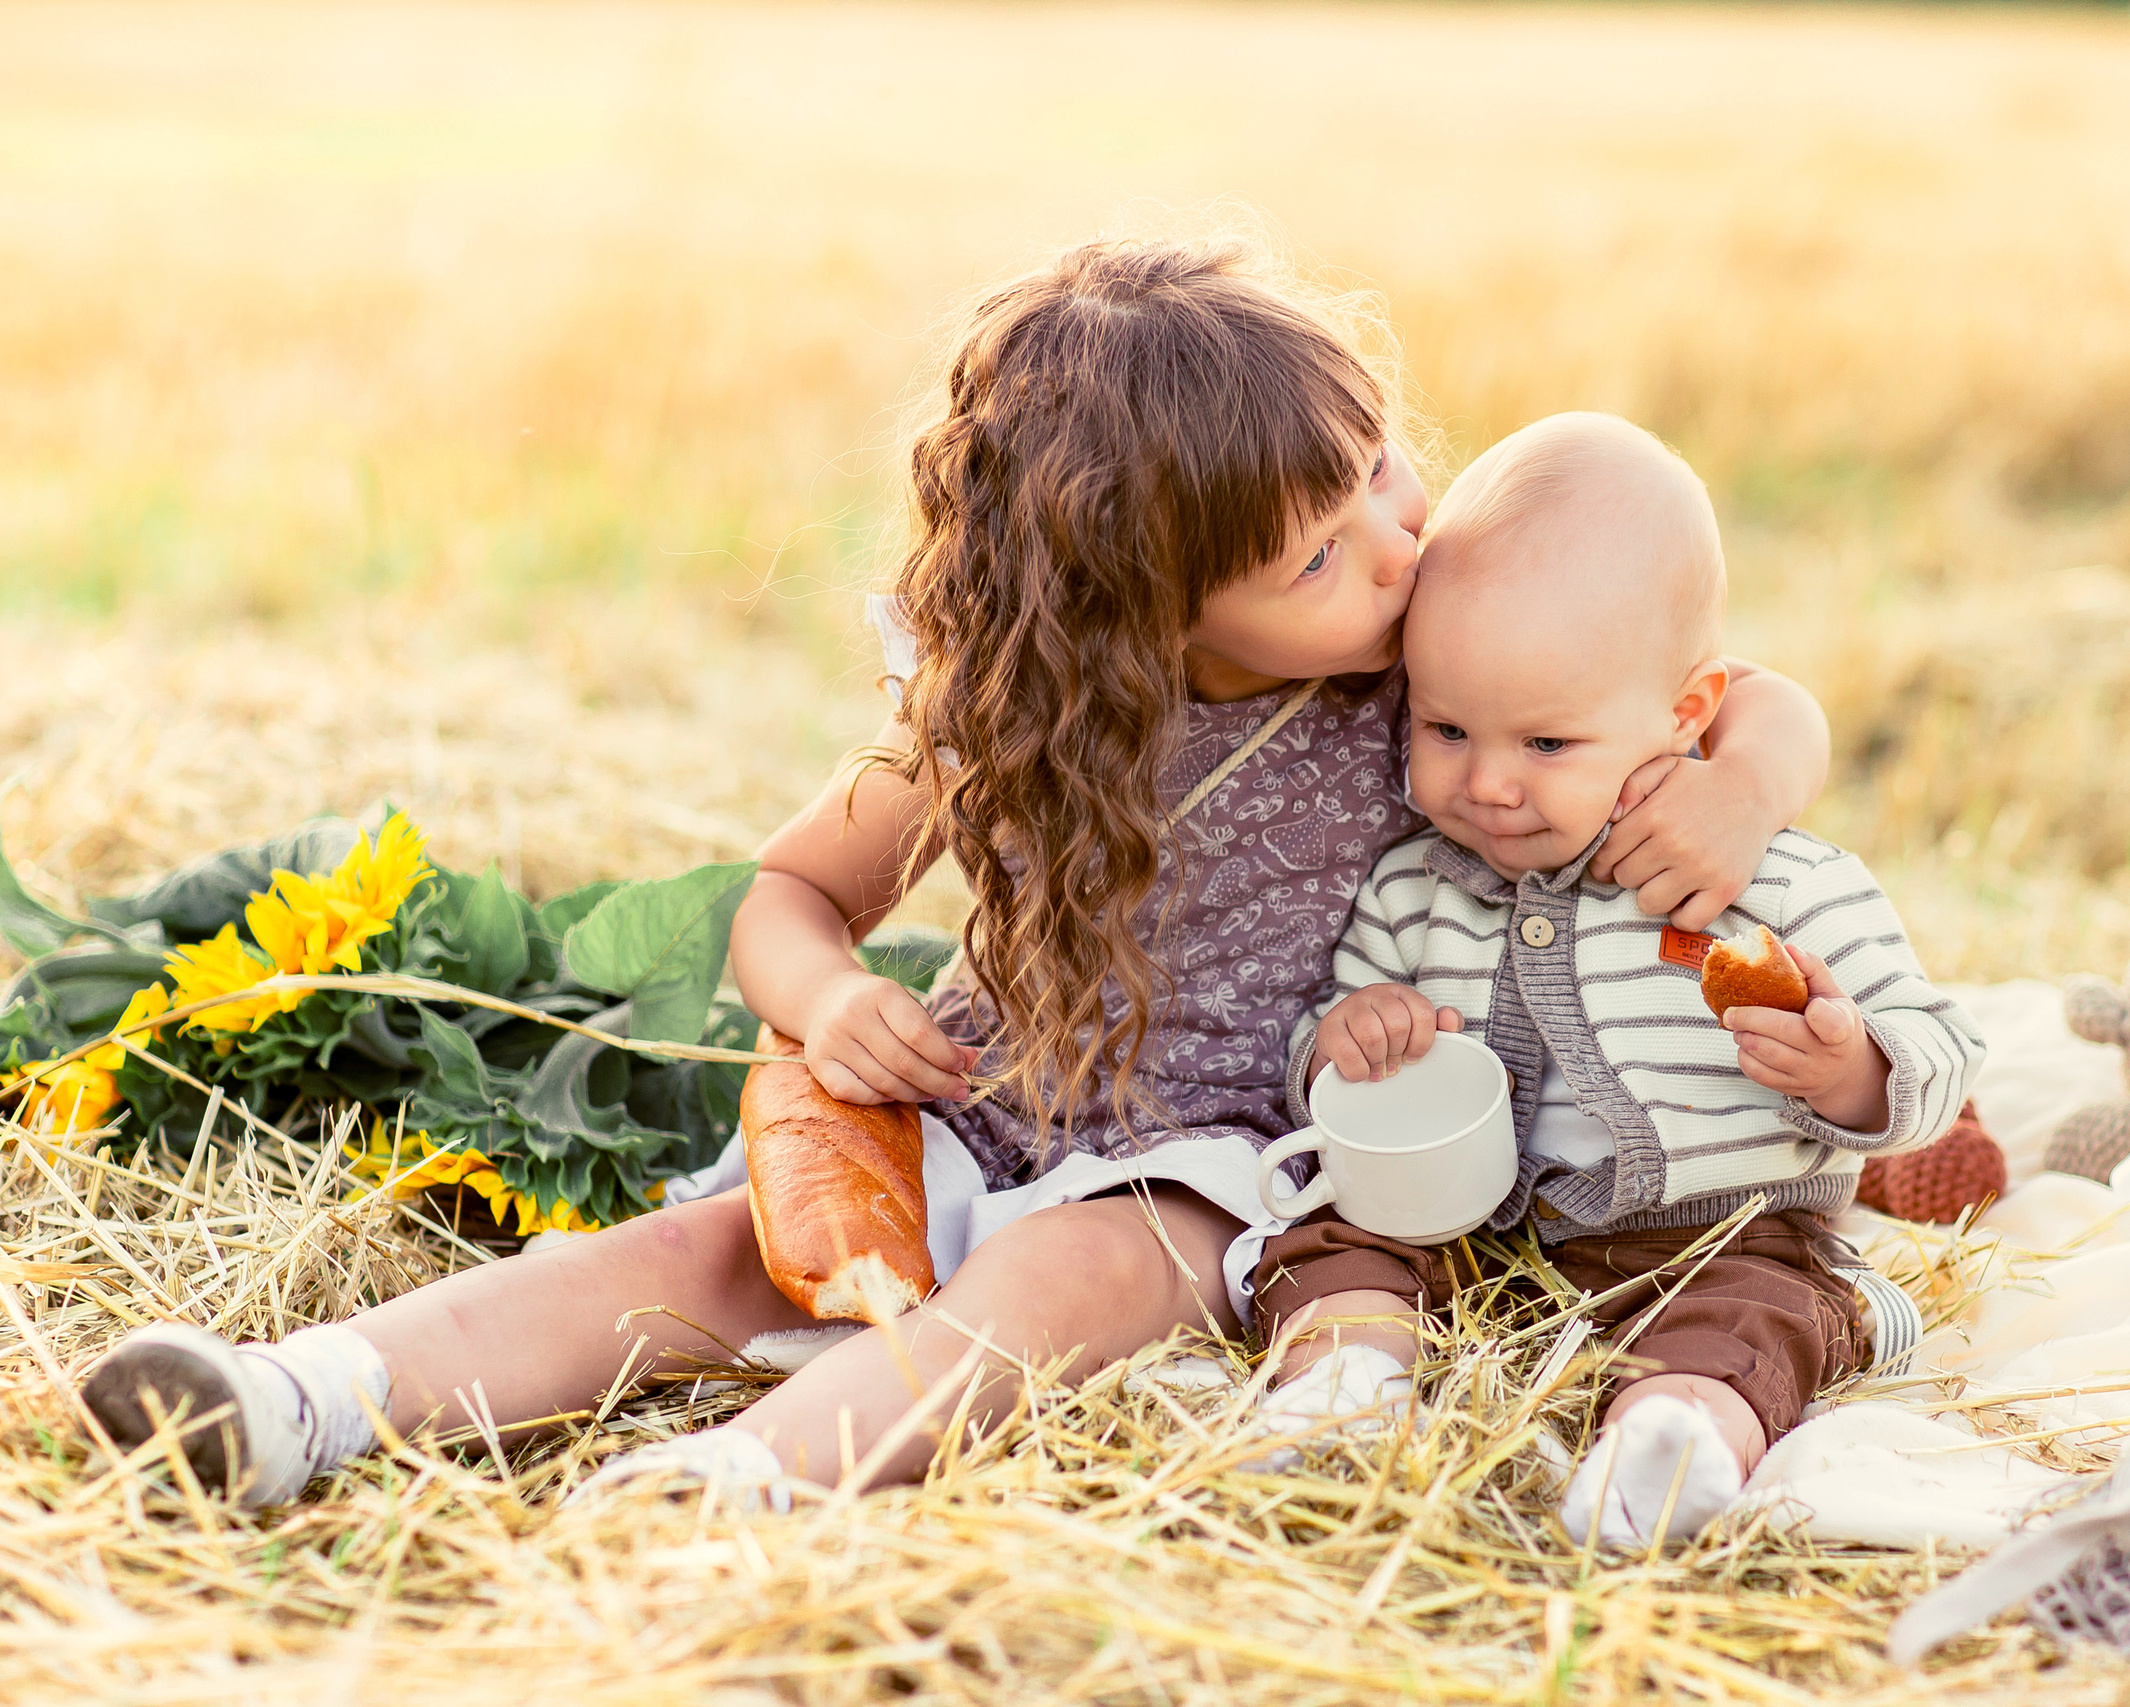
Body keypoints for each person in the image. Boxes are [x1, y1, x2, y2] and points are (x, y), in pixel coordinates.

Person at [79, 239, 1835, 1509]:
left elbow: (1731, 690)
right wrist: (834, 997)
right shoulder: (1017, 713)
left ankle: (744, 1482)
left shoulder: (1425, 661)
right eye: (1320, 550)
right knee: (709, 1253)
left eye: (1381, 471)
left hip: (1236, 1165)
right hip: (989, 1101)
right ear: (1146, 605)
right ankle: (305, 1395)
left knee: (1053, 1281)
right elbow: (789, 897)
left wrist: (1744, 785)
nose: (1399, 538)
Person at [1246, 413, 1984, 1548]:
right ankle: (1346, 1390)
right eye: (1445, 728)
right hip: (1467, 1238)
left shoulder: (1779, 881)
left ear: (1685, 716)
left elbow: (1939, 1052)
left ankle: (1673, 1444)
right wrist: (1350, 1036)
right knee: (1330, 1243)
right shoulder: (1413, 886)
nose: (1489, 785)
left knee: (1760, 1316)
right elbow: (1322, 1049)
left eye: (1546, 745)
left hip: (1711, 1236)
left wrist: (1849, 1069)